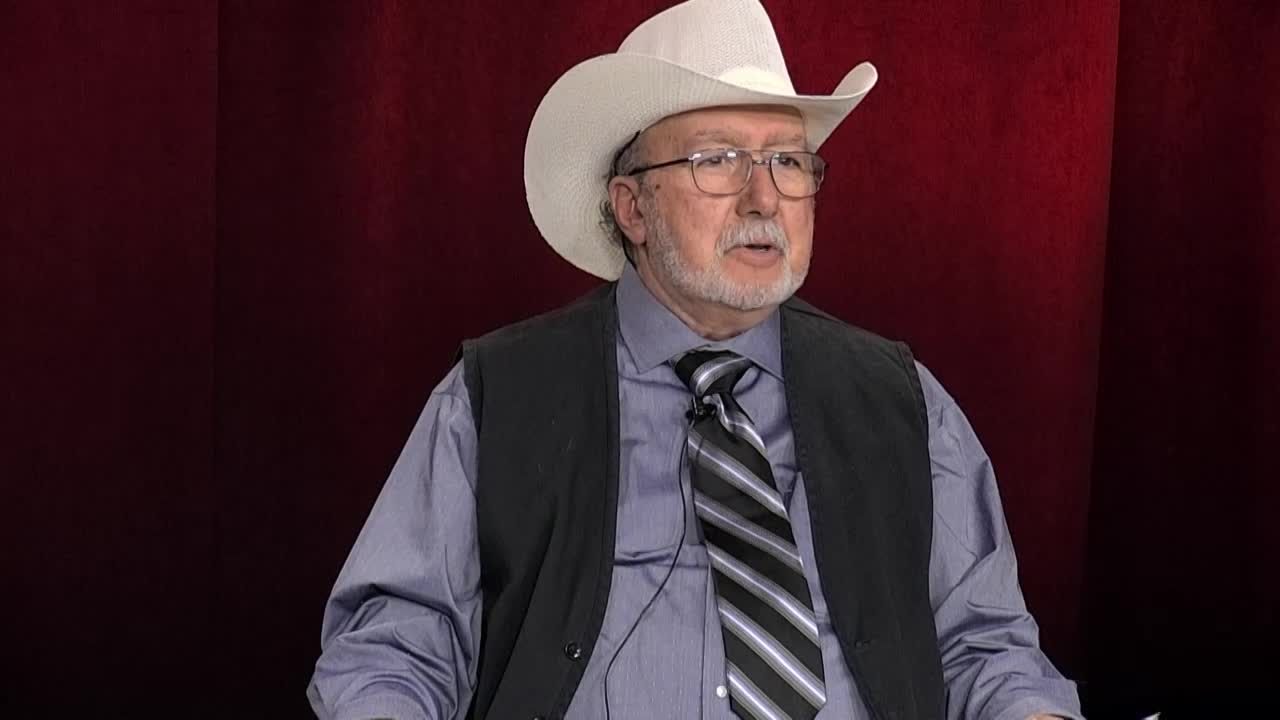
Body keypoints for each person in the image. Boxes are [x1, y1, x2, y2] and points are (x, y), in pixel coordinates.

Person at [308, 0, 1083, 718]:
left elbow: (987, 651)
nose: (763, 199)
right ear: (631, 207)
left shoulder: (902, 401)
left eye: (788, 162)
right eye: (718, 159)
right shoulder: (495, 396)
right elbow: (395, 649)